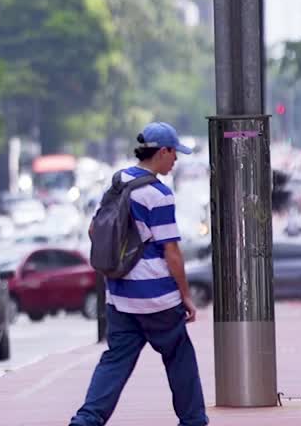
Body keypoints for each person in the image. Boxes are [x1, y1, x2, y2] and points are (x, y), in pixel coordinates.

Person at [69, 122, 208, 426]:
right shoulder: (159, 194)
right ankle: (194, 421)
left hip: (119, 295)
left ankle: (86, 420)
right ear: (163, 151)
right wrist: (185, 296)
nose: (176, 160)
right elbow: (171, 251)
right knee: (179, 357)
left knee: (115, 361)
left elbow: (94, 230)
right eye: (174, 153)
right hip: (157, 298)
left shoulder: (118, 183)